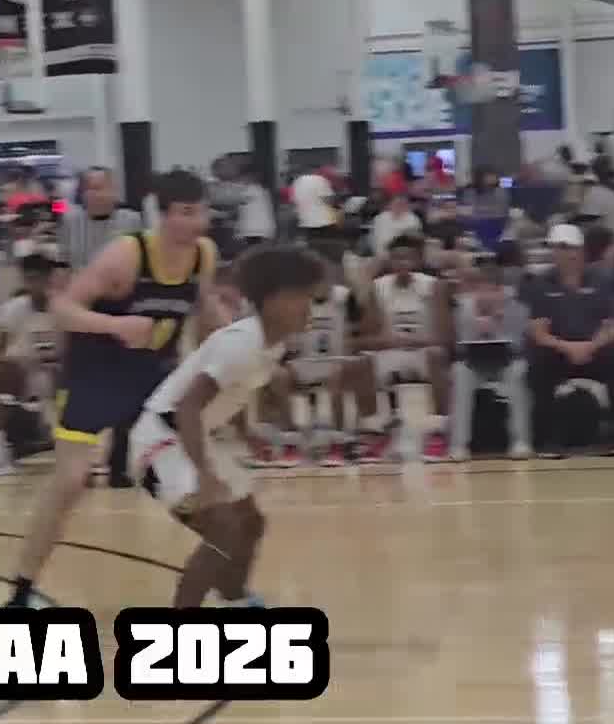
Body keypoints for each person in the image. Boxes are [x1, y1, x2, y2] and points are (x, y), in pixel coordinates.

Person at [5, 169, 227, 609]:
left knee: (190, 483)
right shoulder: (127, 254)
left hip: (150, 378)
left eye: (200, 212)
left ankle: (229, 585)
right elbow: (62, 307)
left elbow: (204, 306)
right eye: (185, 212)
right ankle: (21, 593)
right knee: (69, 483)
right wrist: (116, 325)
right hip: (93, 375)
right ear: (162, 214)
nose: (196, 222)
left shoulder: (204, 254)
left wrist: (231, 339)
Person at [128, 244, 323, 607]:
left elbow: (233, 390)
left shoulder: (271, 344)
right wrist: (205, 474)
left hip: (188, 436)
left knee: (250, 522)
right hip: (159, 442)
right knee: (223, 530)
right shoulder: (241, 343)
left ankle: (234, 600)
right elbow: (188, 406)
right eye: (301, 297)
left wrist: (246, 434)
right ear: (271, 300)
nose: (309, 307)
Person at [523, 223, 614, 459]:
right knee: (539, 365)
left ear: (580, 250)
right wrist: (568, 347)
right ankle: (546, 439)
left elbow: (610, 327)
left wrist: (590, 346)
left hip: (593, 349)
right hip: (558, 351)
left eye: (567, 247)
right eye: (557, 248)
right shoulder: (540, 284)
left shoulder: (600, 281)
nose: (563, 253)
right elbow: (539, 332)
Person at [257, 271, 368, 468]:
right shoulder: (296, 302)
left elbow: (358, 335)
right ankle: (291, 441)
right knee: (277, 376)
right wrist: (286, 356)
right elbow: (285, 344)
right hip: (304, 363)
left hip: (338, 362)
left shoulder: (345, 298)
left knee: (338, 373)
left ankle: (337, 442)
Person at [0, 252, 66, 478]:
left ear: (50, 278)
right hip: (25, 376)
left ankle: (85, 453)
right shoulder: (12, 309)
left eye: (40, 278)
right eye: (30, 278)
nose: (35, 284)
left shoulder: (66, 306)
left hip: (60, 375)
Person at [361, 234, 451, 462]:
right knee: (362, 362)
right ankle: (375, 434)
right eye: (396, 258)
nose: (402, 263)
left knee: (436, 354)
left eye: (407, 258)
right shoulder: (377, 288)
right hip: (391, 352)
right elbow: (366, 337)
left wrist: (418, 341)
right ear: (389, 261)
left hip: (424, 352)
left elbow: (445, 336)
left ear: (417, 260)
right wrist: (385, 340)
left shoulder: (434, 286)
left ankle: (438, 433)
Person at [447, 261, 531, 461]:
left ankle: (520, 441)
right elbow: (459, 347)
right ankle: (459, 444)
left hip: (507, 363)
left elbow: (519, 345)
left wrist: (497, 324)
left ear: (500, 290)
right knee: (459, 372)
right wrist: (475, 327)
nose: (485, 295)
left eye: (491, 289)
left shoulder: (517, 308)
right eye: (480, 289)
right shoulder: (463, 309)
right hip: (474, 365)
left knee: (519, 371)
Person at [371, 191, 422, 259]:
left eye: (402, 204)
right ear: (390, 205)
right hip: (381, 254)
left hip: (404, 255)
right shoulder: (380, 218)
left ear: (407, 205)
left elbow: (411, 240)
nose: (398, 206)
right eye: (396, 203)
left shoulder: (413, 219)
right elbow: (377, 240)